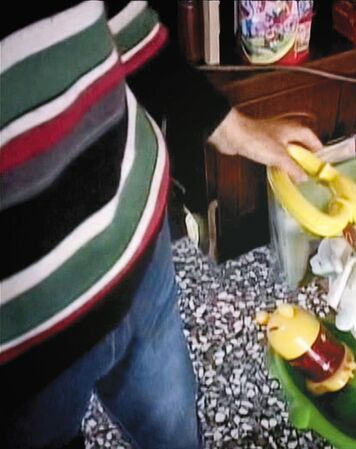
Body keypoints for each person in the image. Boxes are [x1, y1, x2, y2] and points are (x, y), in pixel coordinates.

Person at [0, 2, 322, 448]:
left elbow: (123, 19)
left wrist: (232, 128)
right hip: (25, 340)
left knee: (175, 427)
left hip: (141, 250)